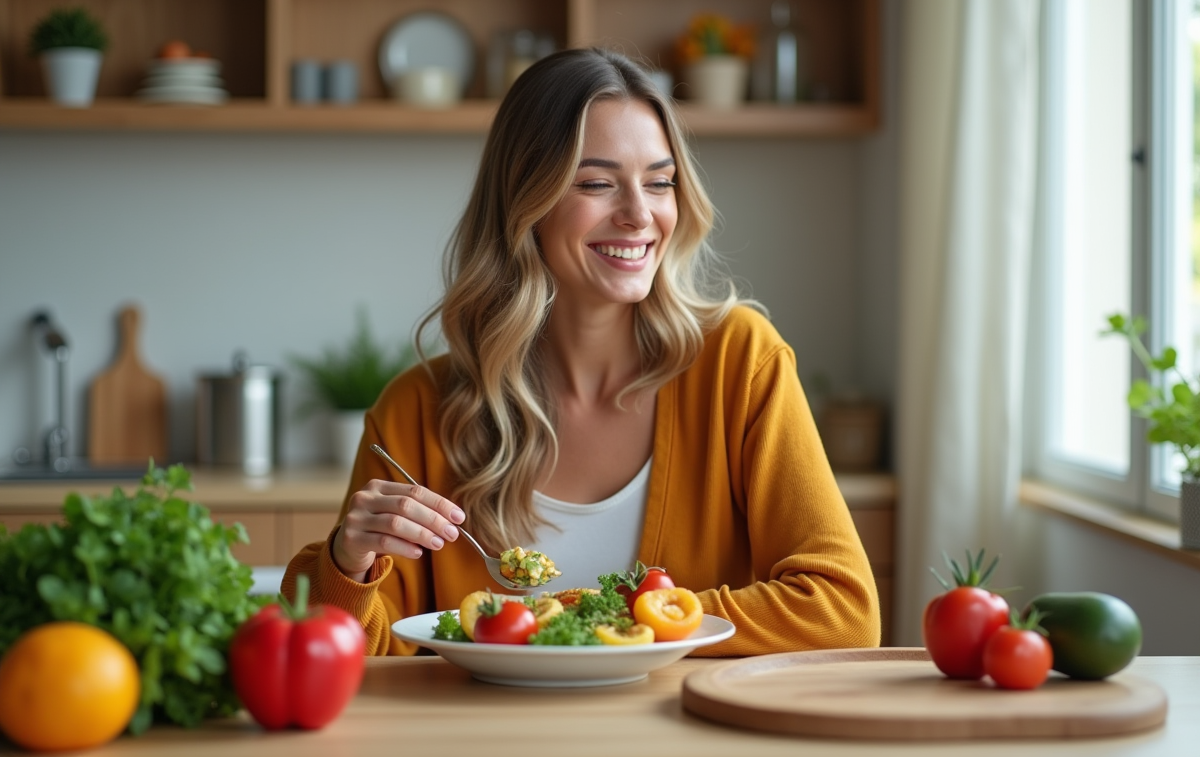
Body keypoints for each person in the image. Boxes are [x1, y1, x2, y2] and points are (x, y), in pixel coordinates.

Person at [283, 48, 880, 656]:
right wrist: (346, 564)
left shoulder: (739, 364)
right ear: (525, 204)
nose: (640, 215)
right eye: (596, 183)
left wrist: (580, 620)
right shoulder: (418, 410)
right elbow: (355, 654)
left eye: (660, 181)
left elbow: (841, 609)